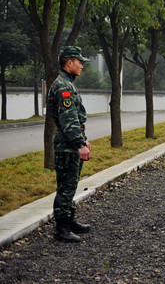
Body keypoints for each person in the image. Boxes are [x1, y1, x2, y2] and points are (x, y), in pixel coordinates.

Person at [46, 46, 92, 243]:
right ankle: (62, 228)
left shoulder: (67, 83)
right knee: (66, 186)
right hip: (67, 144)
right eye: (79, 61)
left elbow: (72, 119)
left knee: (71, 184)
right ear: (69, 63)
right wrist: (79, 143)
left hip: (69, 141)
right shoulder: (64, 86)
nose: (82, 65)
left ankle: (69, 220)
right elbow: (68, 119)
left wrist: (82, 139)